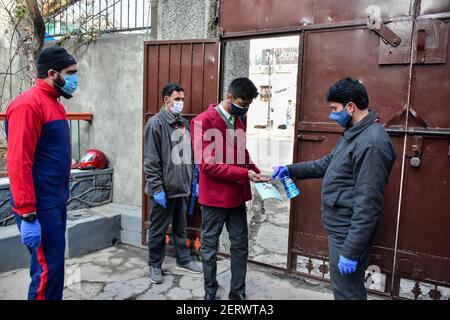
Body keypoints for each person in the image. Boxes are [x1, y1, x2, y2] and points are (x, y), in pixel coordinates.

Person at [273, 77, 396, 300]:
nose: (331, 115)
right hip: (341, 228)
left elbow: (367, 204)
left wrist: (350, 251)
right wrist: (290, 170)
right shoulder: (355, 133)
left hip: (348, 233)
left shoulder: (372, 143)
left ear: (350, 107)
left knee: (347, 293)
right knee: (344, 290)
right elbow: (327, 163)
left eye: (334, 109)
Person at [5, 46, 78, 300]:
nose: (74, 79)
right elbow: (17, 161)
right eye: (70, 73)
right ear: (51, 73)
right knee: (46, 269)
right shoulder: (28, 105)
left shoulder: (54, 103)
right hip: (39, 205)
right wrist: (27, 213)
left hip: (54, 201)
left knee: (55, 266)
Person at [191, 77, 269, 300]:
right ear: (228, 97)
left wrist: (255, 170)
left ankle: (238, 293)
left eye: (247, 106)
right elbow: (207, 165)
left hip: (236, 197)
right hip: (214, 198)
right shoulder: (202, 122)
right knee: (209, 248)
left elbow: (242, 154)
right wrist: (245, 174)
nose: (244, 109)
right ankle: (210, 292)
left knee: (240, 247)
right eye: (242, 104)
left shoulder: (239, 120)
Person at [144, 83, 202, 284]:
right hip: (164, 190)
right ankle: (154, 265)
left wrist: (193, 181)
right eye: (177, 99)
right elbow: (151, 161)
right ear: (166, 100)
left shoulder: (183, 124)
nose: (181, 103)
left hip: (182, 187)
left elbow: (188, 156)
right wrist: (157, 188)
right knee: (159, 229)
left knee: (181, 227)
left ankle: (183, 260)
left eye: (182, 99)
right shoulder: (155, 124)